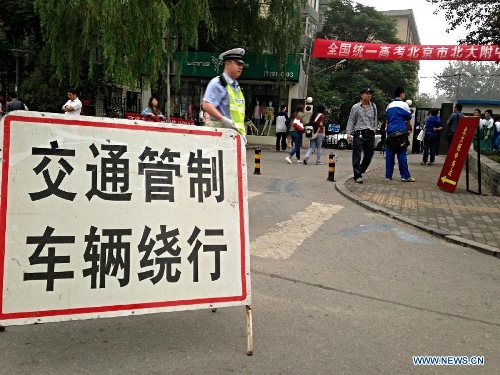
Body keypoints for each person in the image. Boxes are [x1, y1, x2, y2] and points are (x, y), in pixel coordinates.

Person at [202, 47, 246, 141]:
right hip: (219, 138)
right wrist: (222, 119)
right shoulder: (218, 83)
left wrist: (241, 135)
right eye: (237, 64)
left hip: (234, 138)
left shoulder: (236, 87)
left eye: (241, 64)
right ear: (227, 64)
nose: (240, 67)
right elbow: (206, 104)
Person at [346, 88, 378, 184]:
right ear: (361, 95)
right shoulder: (355, 107)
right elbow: (351, 120)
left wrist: (375, 128)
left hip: (370, 133)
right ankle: (357, 175)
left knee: (369, 155)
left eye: (370, 94)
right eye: (367, 93)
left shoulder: (373, 106)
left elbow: (375, 118)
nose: (369, 95)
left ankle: (360, 169)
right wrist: (348, 133)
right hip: (359, 133)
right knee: (357, 155)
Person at [385, 86, 415, 182]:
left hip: (390, 134)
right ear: (401, 94)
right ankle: (405, 176)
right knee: (402, 155)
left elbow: (387, 118)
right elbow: (409, 117)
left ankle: (388, 176)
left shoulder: (389, 105)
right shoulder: (404, 105)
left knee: (389, 156)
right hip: (401, 134)